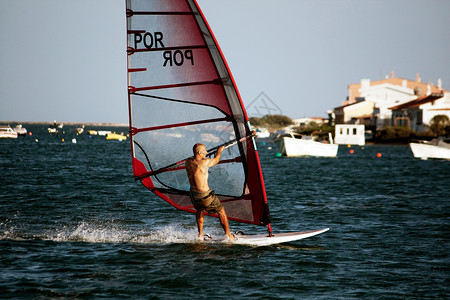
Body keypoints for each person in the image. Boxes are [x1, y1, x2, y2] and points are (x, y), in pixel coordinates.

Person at [185, 143, 234, 241]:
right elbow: (216, 160)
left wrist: (202, 155)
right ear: (199, 152)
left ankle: (200, 235)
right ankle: (229, 236)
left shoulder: (188, 162)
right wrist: (219, 151)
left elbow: (195, 157)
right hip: (205, 195)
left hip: (194, 195)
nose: (206, 152)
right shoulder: (204, 162)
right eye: (205, 151)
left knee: (200, 210)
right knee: (221, 211)